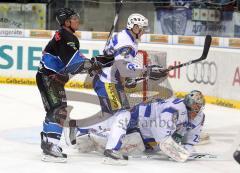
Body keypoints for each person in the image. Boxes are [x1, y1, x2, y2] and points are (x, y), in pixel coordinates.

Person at [90, 13, 167, 161]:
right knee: (123, 113)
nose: (143, 31)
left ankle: (81, 130)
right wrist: (147, 70)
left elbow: (119, 65)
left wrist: (130, 78)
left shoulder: (126, 36)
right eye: (142, 28)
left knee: (113, 114)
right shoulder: (127, 43)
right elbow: (123, 66)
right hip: (107, 81)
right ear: (135, 27)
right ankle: (112, 149)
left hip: (107, 79)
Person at [75, 90, 206, 163]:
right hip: (139, 119)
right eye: (195, 108)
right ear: (188, 105)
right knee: (120, 135)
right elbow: (160, 134)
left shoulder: (199, 115)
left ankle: (91, 136)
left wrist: (187, 148)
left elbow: (191, 138)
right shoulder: (174, 110)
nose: (197, 112)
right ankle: (86, 132)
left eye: (199, 108)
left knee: (135, 146)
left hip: (146, 133)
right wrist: (178, 153)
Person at [36, 8, 94, 162]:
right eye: (74, 18)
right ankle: (51, 147)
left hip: (49, 77)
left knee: (55, 110)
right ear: (66, 21)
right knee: (59, 110)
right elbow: (75, 62)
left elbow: (74, 64)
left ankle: (48, 143)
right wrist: (93, 64)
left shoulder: (64, 35)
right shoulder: (67, 37)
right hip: (49, 77)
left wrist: (91, 65)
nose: (77, 20)